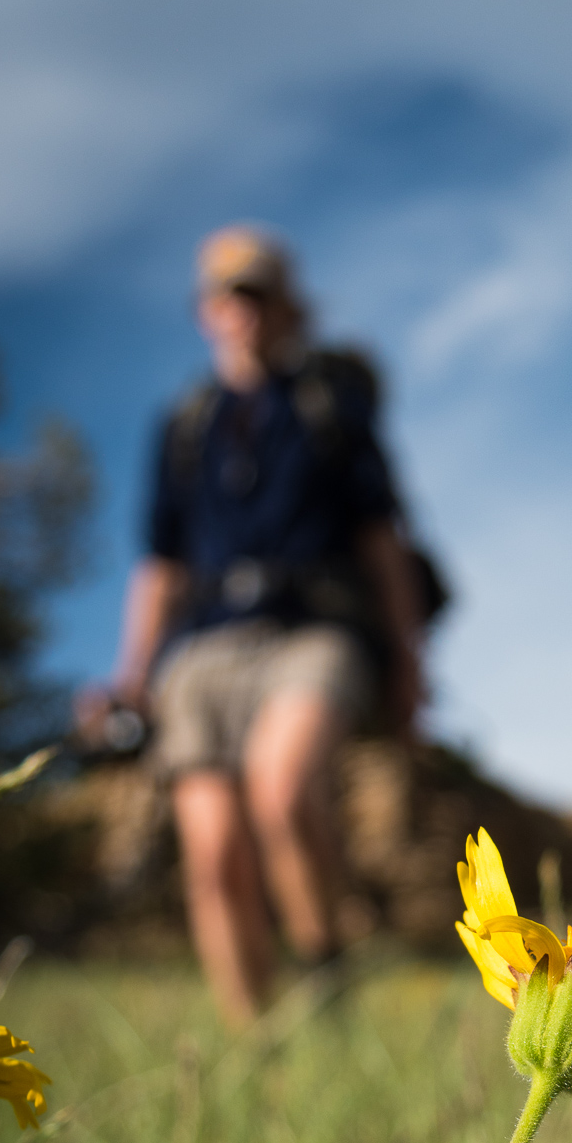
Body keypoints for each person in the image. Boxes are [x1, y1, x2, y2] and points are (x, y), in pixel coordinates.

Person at [90, 226, 424, 1025]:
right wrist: (132, 670)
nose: (241, 311)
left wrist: (407, 659)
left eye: (257, 295)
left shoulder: (329, 408)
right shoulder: (184, 423)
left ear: (287, 307)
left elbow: (383, 542)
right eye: (225, 296)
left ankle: (324, 977)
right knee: (213, 857)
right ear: (207, 312)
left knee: (281, 794)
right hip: (202, 644)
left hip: (315, 629)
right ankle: (254, 1040)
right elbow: (160, 562)